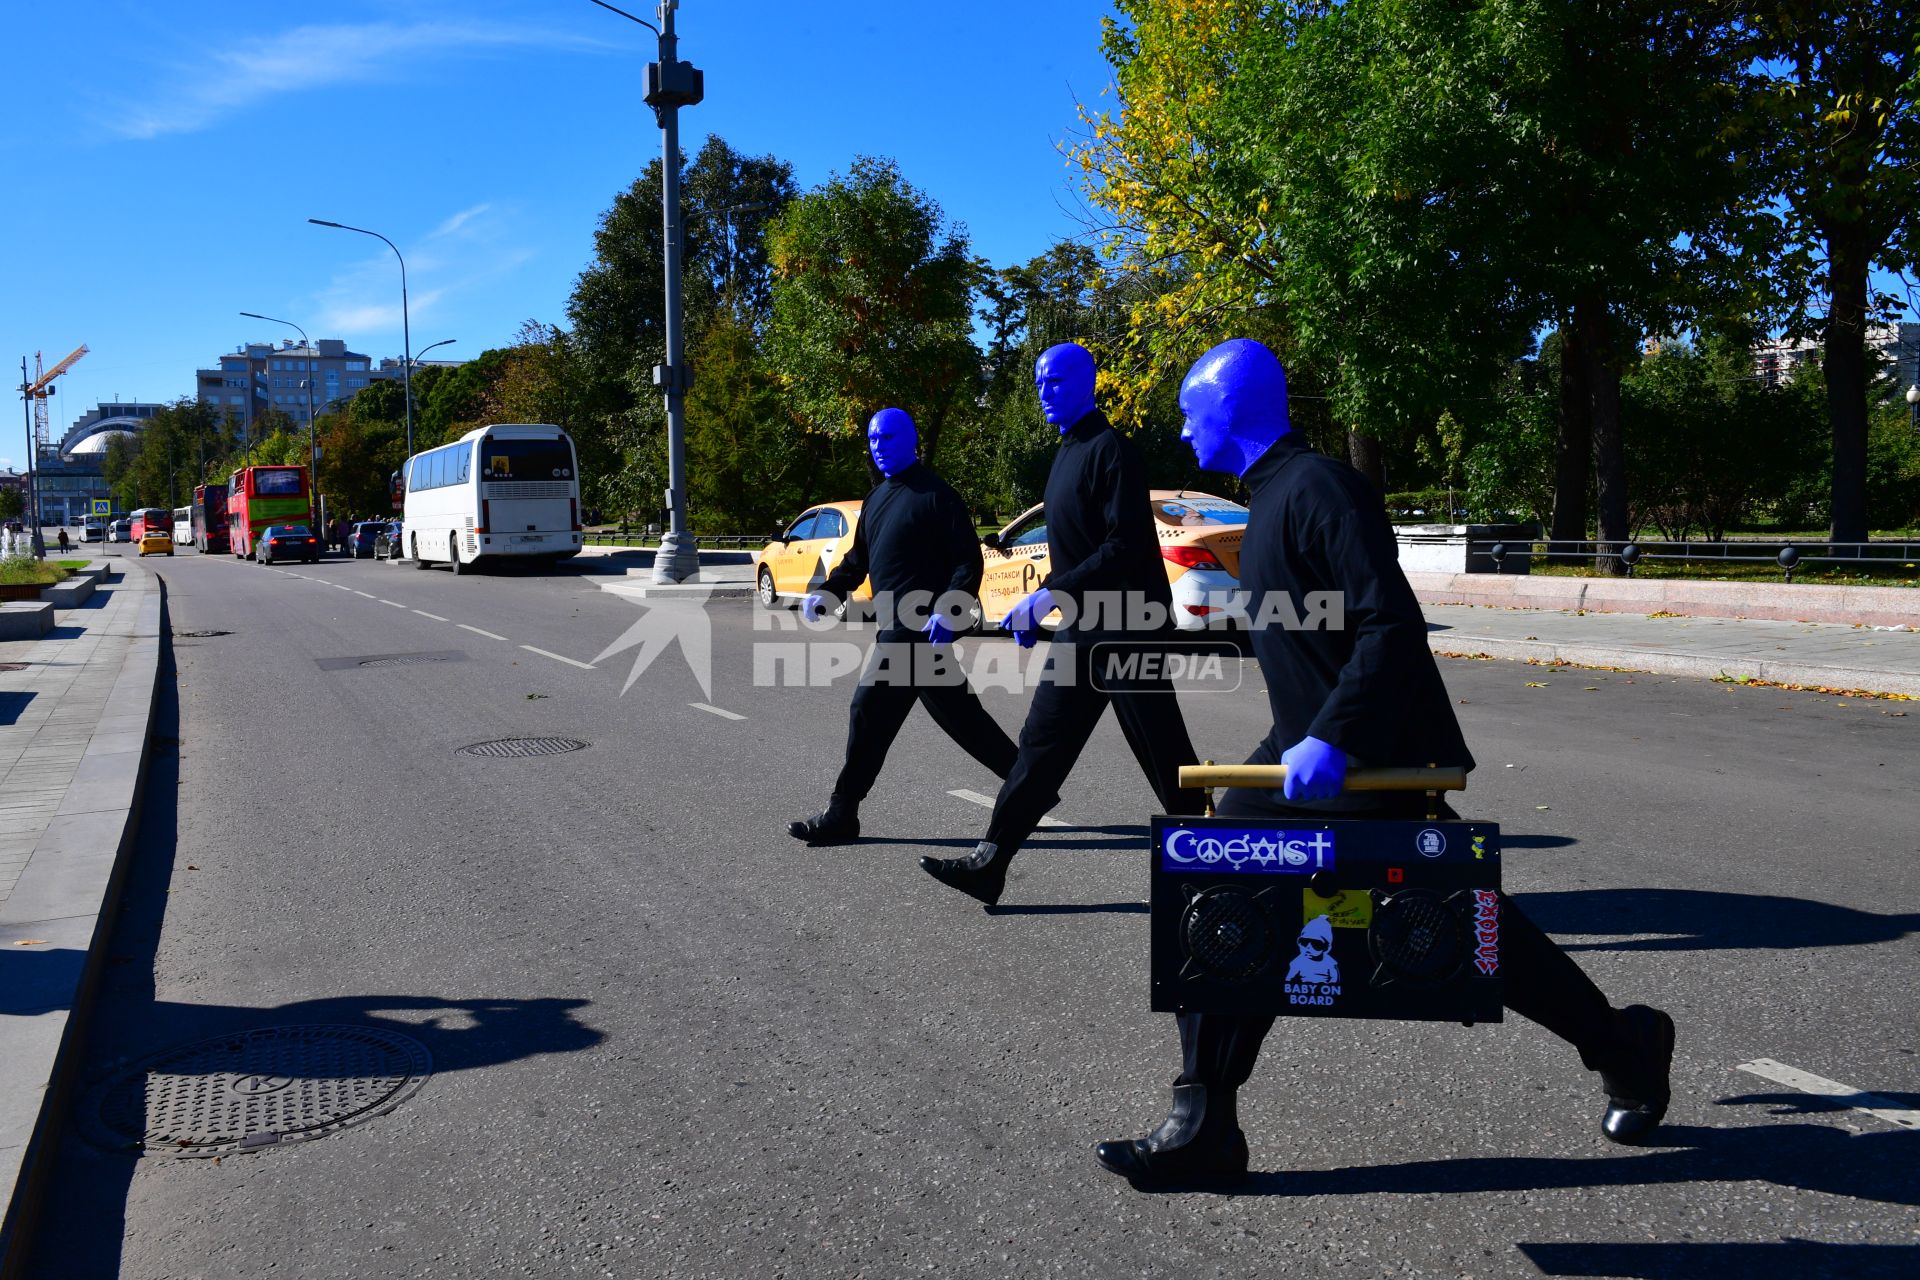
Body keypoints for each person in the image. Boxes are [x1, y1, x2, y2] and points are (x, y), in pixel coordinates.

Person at [1092, 338, 1676, 1190]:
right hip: (1310, 747)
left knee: (1470, 935)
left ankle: (1625, 1043)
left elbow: (1390, 627)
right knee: (1228, 896)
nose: (1181, 429)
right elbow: (1307, 640)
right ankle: (1204, 1120)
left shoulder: (1320, 489)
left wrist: (1337, 738)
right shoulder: (1269, 503)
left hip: (1372, 754)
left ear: (1234, 406)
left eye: (1191, 409)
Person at [920, 342, 1207, 907]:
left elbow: (1124, 545)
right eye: (1038, 382)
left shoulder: (1112, 451)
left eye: (1054, 380)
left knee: (1164, 751)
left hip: (1129, 628)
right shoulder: (1066, 454)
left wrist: (1051, 594)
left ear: (1088, 382)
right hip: (1083, 631)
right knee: (1041, 744)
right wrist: (1047, 604)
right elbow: (1074, 550)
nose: (1044, 391)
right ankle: (991, 862)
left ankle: (1221, 862)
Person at [787, 409, 1024, 846]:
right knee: (965, 722)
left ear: (911, 440)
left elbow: (967, 562)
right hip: (896, 629)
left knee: (868, 712)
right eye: (873, 439)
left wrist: (949, 607)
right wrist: (830, 590)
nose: (879, 446)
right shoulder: (876, 499)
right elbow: (858, 560)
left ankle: (842, 815)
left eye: (889, 437)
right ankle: (1031, 785)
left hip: (917, 632)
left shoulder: (938, 496)